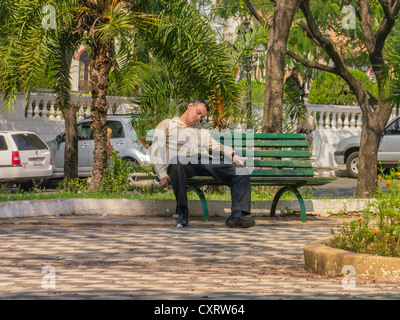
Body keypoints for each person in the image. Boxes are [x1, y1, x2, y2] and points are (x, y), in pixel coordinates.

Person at [150, 99, 255, 229]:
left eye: (202, 116)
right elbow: (156, 148)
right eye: (198, 113)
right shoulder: (167, 124)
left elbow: (215, 145)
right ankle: (183, 211)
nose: (198, 118)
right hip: (181, 163)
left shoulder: (201, 131)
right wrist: (162, 173)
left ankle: (237, 215)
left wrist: (233, 154)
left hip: (203, 161)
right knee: (177, 161)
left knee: (241, 170)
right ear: (189, 106)